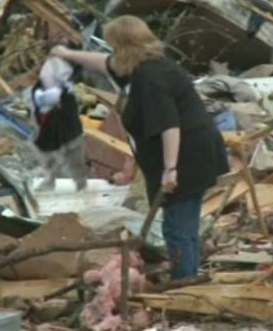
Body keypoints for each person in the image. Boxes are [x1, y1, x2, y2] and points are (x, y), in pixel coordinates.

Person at [51, 15, 229, 280]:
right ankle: (188, 273)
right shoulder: (142, 66)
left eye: (113, 46)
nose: (111, 52)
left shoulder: (150, 78)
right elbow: (104, 64)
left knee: (176, 226)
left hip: (187, 156)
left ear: (123, 47)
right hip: (197, 150)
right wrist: (66, 54)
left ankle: (184, 281)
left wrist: (170, 169)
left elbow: (169, 125)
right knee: (185, 222)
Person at [28, 54, 88, 191]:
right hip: (49, 127)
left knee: (75, 157)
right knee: (48, 157)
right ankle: (50, 180)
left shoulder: (66, 92)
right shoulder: (40, 87)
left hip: (68, 130)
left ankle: (80, 182)